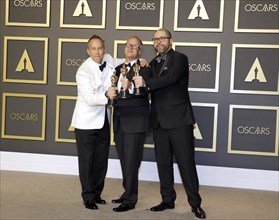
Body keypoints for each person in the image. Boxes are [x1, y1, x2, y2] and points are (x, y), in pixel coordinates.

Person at [133, 28, 206, 219]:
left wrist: (146, 80)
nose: (158, 42)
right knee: (163, 163)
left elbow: (170, 79)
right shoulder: (152, 64)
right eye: (155, 39)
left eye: (162, 38)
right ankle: (167, 200)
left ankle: (195, 204)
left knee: (186, 163)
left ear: (170, 41)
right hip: (158, 121)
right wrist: (143, 71)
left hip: (179, 120)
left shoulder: (180, 58)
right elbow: (144, 84)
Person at [71, 35, 123, 210]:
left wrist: (141, 60)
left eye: (100, 48)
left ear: (104, 49)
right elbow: (90, 98)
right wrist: (107, 95)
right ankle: (87, 197)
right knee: (87, 161)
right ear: (88, 51)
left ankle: (97, 193)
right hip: (85, 122)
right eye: (94, 49)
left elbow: (121, 61)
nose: (98, 51)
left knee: (101, 160)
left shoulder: (108, 59)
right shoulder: (82, 71)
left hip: (103, 121)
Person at [106, 36, 152, 212]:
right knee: (125, 160)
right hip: (119, 121)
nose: (131, 48)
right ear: (124, 47)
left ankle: (131, 200)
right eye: (129, 45)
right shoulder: (117, 69)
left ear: (140, 51)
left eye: (136, 46)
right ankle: (127, 192)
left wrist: (130, 86)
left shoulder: (146, 68)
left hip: (135, 122)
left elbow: (144, 91)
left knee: (132, 161)